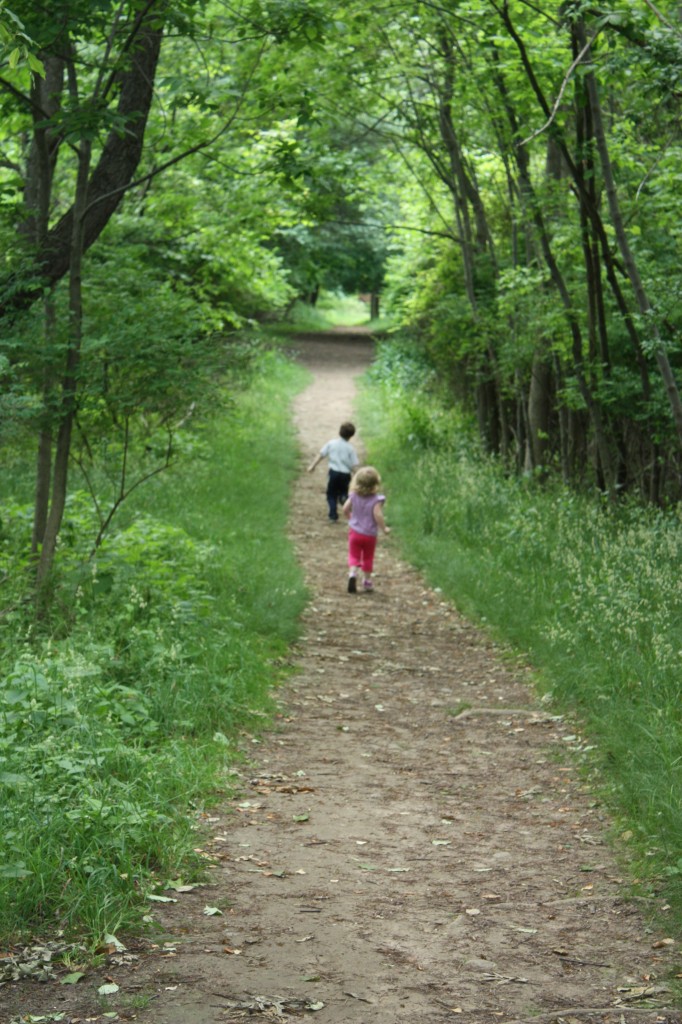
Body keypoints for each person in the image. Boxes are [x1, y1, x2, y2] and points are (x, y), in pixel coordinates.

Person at [342, 465, 390, 593]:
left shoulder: (353, 495)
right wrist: (384, 528)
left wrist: (350, 517)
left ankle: (352, 573)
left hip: (355, 532)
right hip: (369, 535)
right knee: (368, 557)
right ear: (375, 483)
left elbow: (345, 509)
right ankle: (367, 581)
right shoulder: (376, 499)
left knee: (353, 555)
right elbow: (377, 514)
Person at [308, 421, 359, 522]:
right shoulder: (350, 448)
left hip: (334, 473)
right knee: (344, 491)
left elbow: (321, 454)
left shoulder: (331, 443)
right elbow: (354, 465)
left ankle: (333, 515)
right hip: (345, 474)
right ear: (351, 436)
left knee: (331, 494)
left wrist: (312, 466)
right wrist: (357, 475)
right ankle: (344, 499)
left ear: (339, 432)